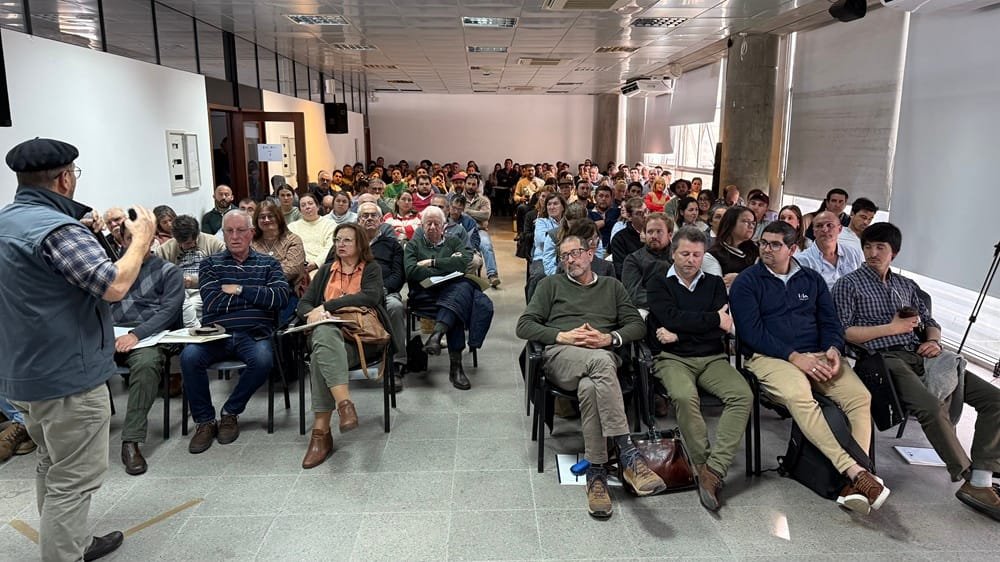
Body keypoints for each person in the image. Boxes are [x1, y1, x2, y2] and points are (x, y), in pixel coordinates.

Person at [0, 138, 158, 561]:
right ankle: (65, 554)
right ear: (66, 177)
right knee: (73, 480)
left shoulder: (7, 222)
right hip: (68, 378)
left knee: (52, 463)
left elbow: (45, 282)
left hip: (23, 375)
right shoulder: (58, 231)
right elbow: (114, 285)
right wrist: (140, 240)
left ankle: (74, 542)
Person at [832, 222, 1000, 521]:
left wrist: (933, 341)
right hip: (883, 358)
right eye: (868, 247)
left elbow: (930, 322)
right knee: (930, 408)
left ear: (894, 253)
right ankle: (969, 479)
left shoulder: (906, 286)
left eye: (880, 247)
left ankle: (985, 473)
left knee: (994, 399)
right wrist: (893, 328)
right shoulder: (849, 284)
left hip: (921, 353)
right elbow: (845, 332)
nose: (872, 253)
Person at [730, 221, 888, 515]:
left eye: (775, 244)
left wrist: (832, 349)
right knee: (800, 394)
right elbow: (751, 333)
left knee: (859, 397)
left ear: (793, 249)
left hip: (817, 355)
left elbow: (830, 323)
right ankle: (854, 471)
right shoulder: (747, 282)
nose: (766, 248)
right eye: (763, 242)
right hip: (770, 357)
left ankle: (855, 483)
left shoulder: (811, 280)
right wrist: (793, 357)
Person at [516, 234, 666, 519]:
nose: (570, 259)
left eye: (575, 253)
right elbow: (524, 325)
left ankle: (596, 473)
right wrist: (562, 335)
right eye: (564, 256)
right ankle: (628, 453)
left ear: (590, 254)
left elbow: (636, 325)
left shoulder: (612, 286)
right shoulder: (550, 285)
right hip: (562, 357)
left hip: (601, 360)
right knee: (599, 363)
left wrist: (609, 338)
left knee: (590, 385)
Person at [647, 226, 751, 512]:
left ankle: (712, 471)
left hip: (711, 357)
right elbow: (668, 316)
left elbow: (722, 328)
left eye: (697, 254)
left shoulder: (715, 284)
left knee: (742, 395)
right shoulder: (658, 283)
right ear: (673, 253)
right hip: (672, 358)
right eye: (685, 254)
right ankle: (703, 463)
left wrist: (681, 332)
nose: (691, 260)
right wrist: (710, 321)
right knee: (683, 396)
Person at [181, 210, 290, 454]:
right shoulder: (210, 264)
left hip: (254, 333)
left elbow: (280, 298)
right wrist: (258, 298)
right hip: (217, 333)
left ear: (252, 233)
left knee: (263, 360)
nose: (235, 236)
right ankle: (205, 421)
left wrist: (239, 288)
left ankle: (230, 412)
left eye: (241, 230)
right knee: (189, 358)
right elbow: (212, 301)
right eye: (229, 231)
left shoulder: (269, 263)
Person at [299, 223, 388, 469]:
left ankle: (321, 435)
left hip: (361, 339)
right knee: (324, 337)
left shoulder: (371, 269)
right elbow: (303, 304)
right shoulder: (326, 270)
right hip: (330, 339)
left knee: (320, 356)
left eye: (347, 240)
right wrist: (313, 313)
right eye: (338, 240)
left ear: (360, 244)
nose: (341, 244)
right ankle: (343, 406)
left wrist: (328, 307)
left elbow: (370, 297)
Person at [110, 221, 184, 476]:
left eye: (142, 238)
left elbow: (169, 311)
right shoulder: (110, 270)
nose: (136, 244)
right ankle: (69, 441)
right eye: (129, 238)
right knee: (72, 359)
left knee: (146, 364)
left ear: (152, 240)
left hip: (147, 335)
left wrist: (136, 334)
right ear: (121, 241)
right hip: (109, 334)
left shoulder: (168, 271)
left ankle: (130, 441)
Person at [405, 207, 494, 390]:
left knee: (457, 298)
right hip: (425, 295)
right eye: (428, 223)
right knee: (461, 296)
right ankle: (456, 368)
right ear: (421, 226)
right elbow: (411, 271)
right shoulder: (414, 245)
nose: (432, 227)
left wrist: (432, 263)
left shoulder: (454, 241)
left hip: (450, 293)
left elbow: (463, 264)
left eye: (436, 223)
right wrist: (448, 265)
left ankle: (437, 336)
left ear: (443, 226)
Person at [355, 201, 407, 388]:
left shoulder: (392, 244)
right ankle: (349, 360)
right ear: (358, 220)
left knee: (395, 307)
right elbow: (331, 266)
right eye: (364, 216)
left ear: (380, 220)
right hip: (354, 293)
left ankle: (397, 362)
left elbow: (399, 275)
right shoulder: (348, 242)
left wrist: (381, 291)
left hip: (386, 292)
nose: (369, 219)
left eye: (373, 215)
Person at [155, 215, 226, 328]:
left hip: (205, 289)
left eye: (190, 242)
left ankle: (195, 337)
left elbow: (224, 274)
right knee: (181, 302)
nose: (187, 245)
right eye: (182, 243)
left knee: (190, 307)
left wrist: (195, 281)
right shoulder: (164, 250)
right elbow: (159, 279)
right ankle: (197, 336)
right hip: (179, 292)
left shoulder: (214, 244)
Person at [251, 200, 307, 324]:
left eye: (270, 216)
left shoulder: (293, 240)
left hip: (286, 292)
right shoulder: (251, 243)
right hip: (256, 293)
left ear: (278, 218)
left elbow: (292, 269)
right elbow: (247, 269)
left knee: (280, 325)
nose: (266, 220)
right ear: (256, 221)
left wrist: (261, 273)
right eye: (262, 217)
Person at [621, 212, 674, 313]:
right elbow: (635, 295)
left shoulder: (681, 256)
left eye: (659, 232)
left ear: (670, 234)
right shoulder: (633, 259)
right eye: (650, 232)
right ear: (644, 234)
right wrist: (665, 303)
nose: (654, 236)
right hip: (647, 309)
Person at [796, 211, 864, 289]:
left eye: (830, 225)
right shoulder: (801, 261)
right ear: (814, 232)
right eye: (819, 226)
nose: (824, 230)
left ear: (840, 229)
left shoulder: (854, 254)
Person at [702, 206, 758, 288]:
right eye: (746, 221)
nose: (751, 226)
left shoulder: (756, 250)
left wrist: (741, 279)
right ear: (730, 223)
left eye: (753, 223)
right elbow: (717, 289)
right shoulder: (713, 255)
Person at [463, 175, 501, 288]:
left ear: (477, 185)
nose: (470, 186)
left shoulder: (483, 200)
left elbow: (486, 215)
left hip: (479, 230)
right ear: (465, 184)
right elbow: (457, 215)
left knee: (486, 245)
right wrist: (476, 215)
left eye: (473, 184)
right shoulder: (459, 199)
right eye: (468, 183)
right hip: (462, 230)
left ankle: (492, 275)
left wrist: (466, 212)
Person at [287, 193, 336, 279]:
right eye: (303, 205)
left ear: (317, 206)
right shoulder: (292, 227)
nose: (307, 207)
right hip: (297, 267)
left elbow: (329, 248)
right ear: (300, 210)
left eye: (310, 203)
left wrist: (315, 263)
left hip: (322, 266)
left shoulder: (330, 225)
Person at [609, 197, 648, 278]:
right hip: (633, 282)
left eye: (646, 211)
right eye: (639, 213)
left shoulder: (655, 233)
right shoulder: (619, 239)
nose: (645, 216)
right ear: (629, 216)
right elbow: (621, 269)